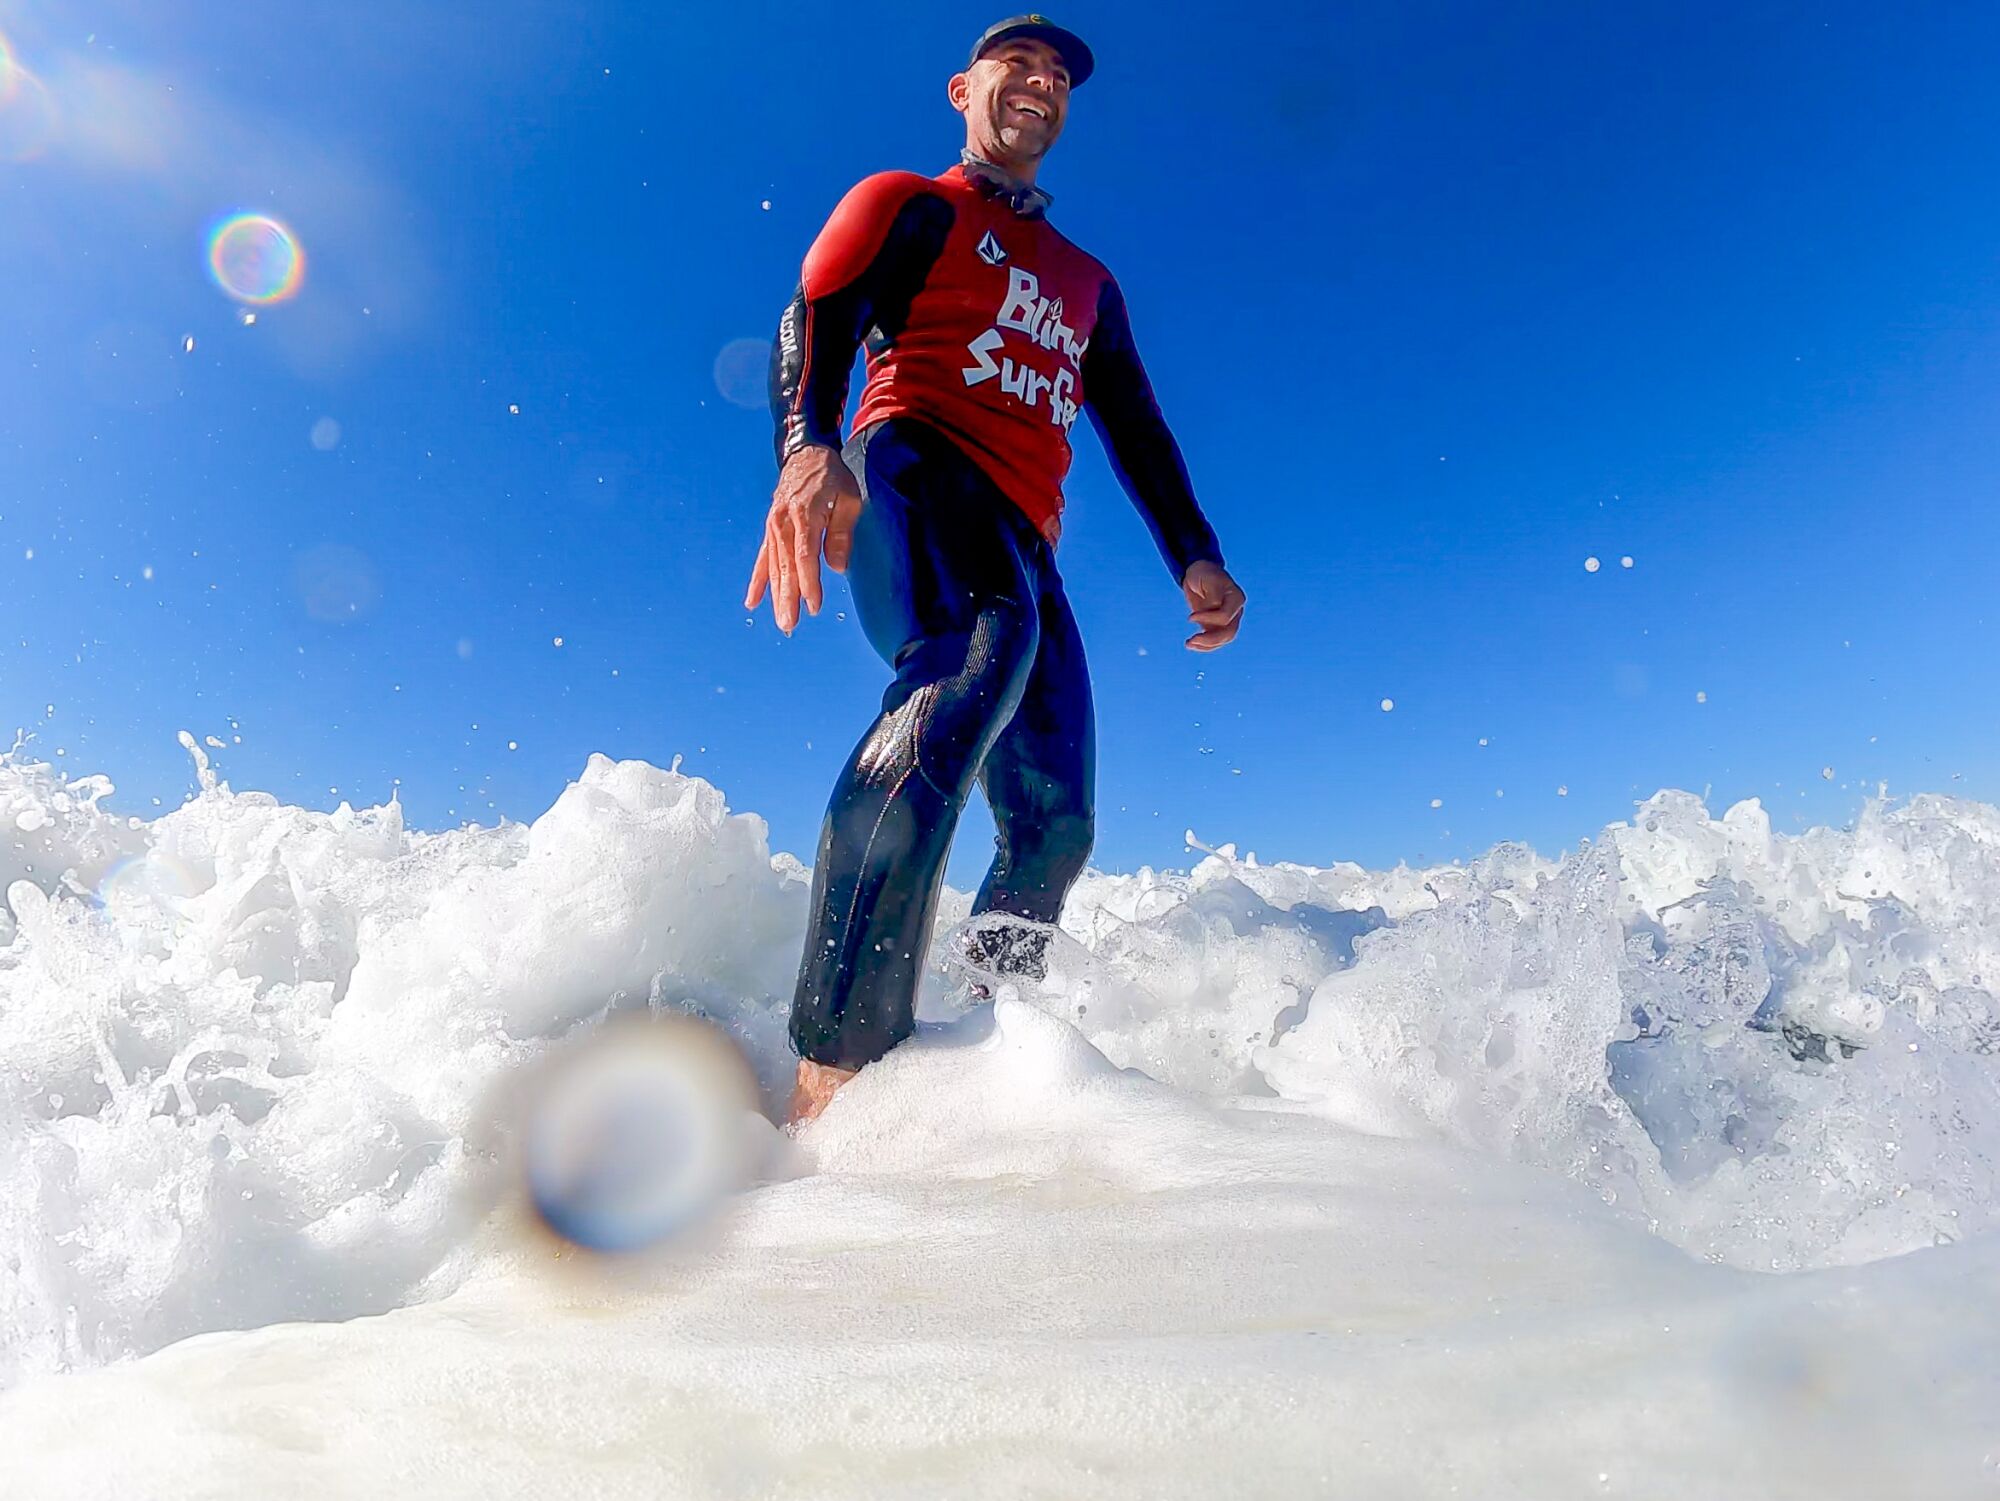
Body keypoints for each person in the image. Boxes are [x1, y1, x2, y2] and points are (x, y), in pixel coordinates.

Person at [746, 16, 1247, 1125]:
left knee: (1056, 819)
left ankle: (989, 1034)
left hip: (1024, 535)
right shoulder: (909, 204)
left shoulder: (1088, 283)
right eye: (1016, 63)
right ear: (962, 88)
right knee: (971, 653)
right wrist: (806, 448)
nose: (1040, 82)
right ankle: (833, 1070)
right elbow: (815, 312)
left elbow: (1135, 425)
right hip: (914, 460)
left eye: (1059, 73)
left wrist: (1193, 555)